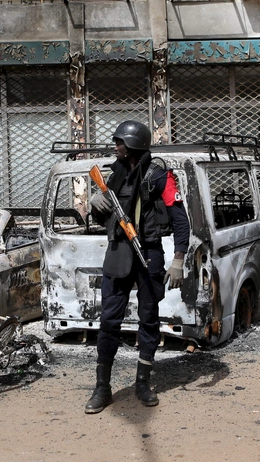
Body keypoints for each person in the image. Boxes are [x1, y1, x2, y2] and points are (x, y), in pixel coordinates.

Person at [84, 120, 191, 414]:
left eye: (119, 142)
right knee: (108, 321)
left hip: (149, 253)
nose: (115, 146)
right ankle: (102, 388)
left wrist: (179, 259)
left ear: (132, 146)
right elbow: (102, 220)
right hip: (119, 252)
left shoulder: (159, 176)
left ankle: (143, 383)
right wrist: (96, 205)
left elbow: (181, 220)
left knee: (148, 318)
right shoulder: (114, 175)